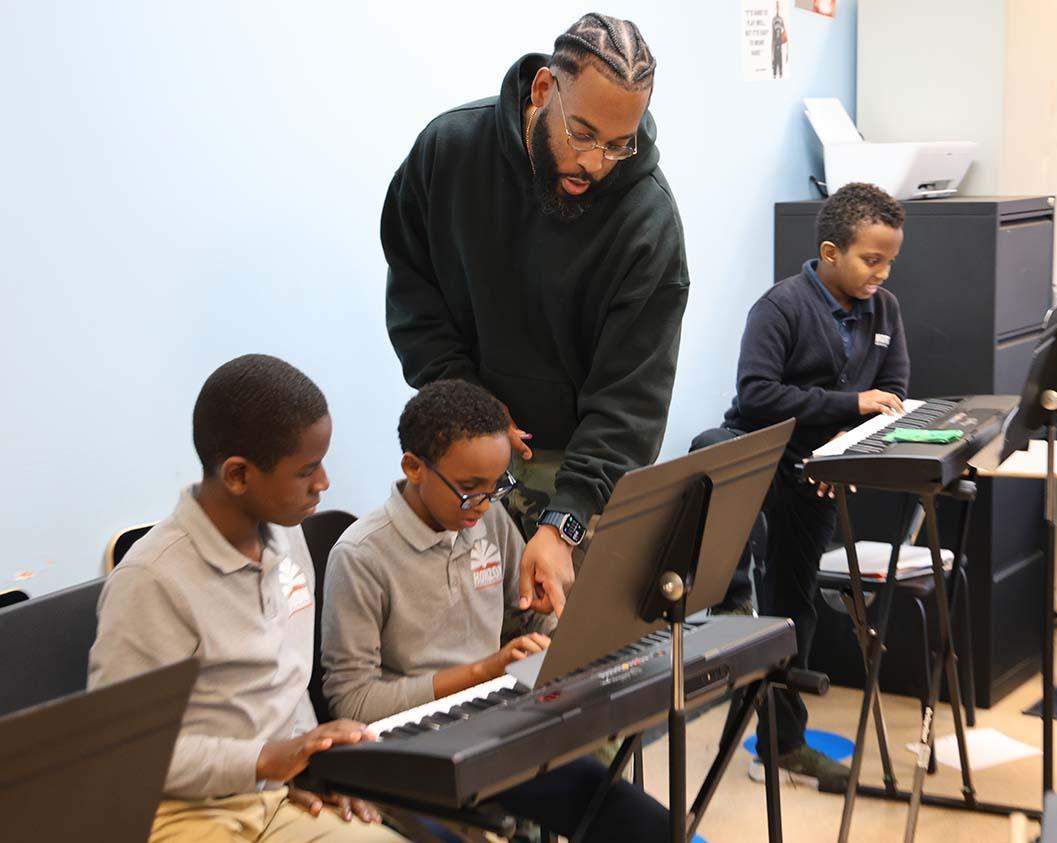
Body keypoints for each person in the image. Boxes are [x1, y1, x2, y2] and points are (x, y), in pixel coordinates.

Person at [382, 13, 689, 620]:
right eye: (583, 134)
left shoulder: (647, 223)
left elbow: (631, 402)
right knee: (457, 647)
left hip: (579, 469)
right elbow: (415, 297)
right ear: (545, 89)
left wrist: (565, 522)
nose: (597, 162)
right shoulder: (449, 152)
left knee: (571, 659)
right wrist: (466, 400)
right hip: (463, 455)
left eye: (618, 144)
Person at [321, 379, 669, 842]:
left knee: (643, 824)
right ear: (414, 467)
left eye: (496, 486)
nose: (484, 504)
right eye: (470, 489)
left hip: (495, 723)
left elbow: (532, 616)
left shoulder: (486, 519)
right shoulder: (361, 556)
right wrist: (483, 671)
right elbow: (354, 702)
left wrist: (558, 630)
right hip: (414, 746)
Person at [87, 354, 405, 843]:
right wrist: (263, 759)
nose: (323, 483)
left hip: (277, 793)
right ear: (238, 475)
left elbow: (287, 683)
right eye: (307, 470)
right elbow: (127, 755)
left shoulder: (285, 532)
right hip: (182, 812)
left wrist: (312, 764)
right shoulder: (151, 581)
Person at [720, 183, 910, 790]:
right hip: (764, 461)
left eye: (889, 261)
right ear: (831, 252)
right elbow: (757, 395)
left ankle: (781, 745)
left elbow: (893, 390)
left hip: (823, 472)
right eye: (871, 260)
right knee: (752, 604)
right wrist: (849, 405)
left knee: (795, 604)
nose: (882, 273)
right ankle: (746, 722)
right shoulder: (779, 308)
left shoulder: (884, 310)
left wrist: (846, 449)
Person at [772, 1, 788, 79]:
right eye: (776, 6)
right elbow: (772, 33)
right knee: (775, 58)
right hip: (775, 42)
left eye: (778, 6)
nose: (777, 8)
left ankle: (781, 73)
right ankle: (774, 73)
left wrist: (787, 51)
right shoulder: (774, 19)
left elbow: (785, 32)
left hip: (780, 42)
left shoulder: (781, 19)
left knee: (780, 57)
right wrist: (772, 44)